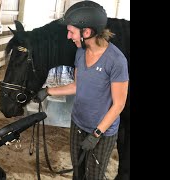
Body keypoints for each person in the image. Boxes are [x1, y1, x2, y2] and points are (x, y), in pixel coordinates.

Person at [36, 1, 129, 179]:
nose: (68, 36)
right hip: (78, 124)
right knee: (78, 174)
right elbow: (77, 86)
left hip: (102, 133)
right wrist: (48, 91)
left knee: (94, 176)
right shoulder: (80, 52)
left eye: (71, 31)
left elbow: (119, 104)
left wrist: (96, 133)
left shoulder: (116, 61)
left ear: (87, 32)